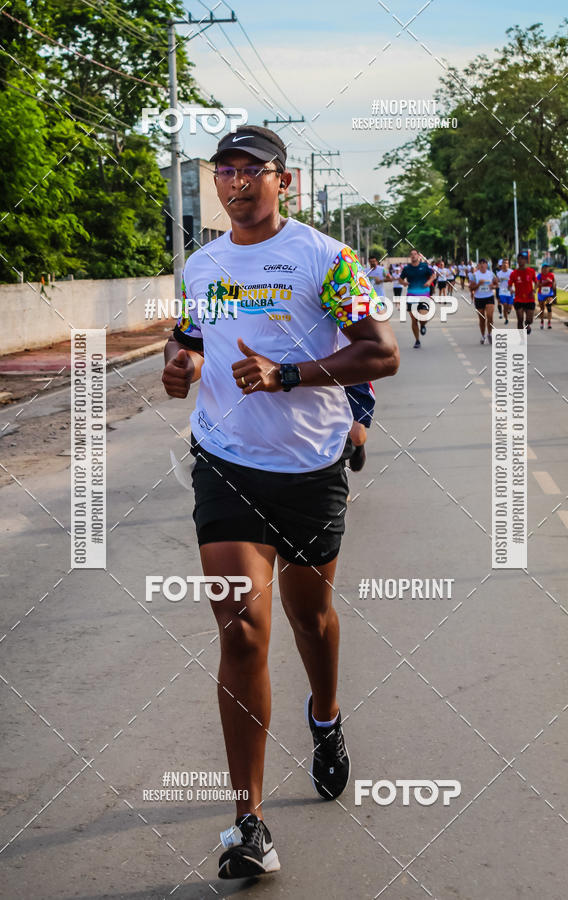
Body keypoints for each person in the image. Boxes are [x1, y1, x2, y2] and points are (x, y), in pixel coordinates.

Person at [161, 125, 399, 880]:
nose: (236, 182)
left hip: (309, 467)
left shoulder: (327, 259)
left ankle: (324, 720)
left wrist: (290, 374)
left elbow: (381, 351)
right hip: (225, 463)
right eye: (223, 170)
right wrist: (182, 361)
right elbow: (193, 334)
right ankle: (248, 825)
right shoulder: (202, 263)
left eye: (250, 170)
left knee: (311, 618)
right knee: (241, 633)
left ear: (282, 180)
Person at [399, 249, 436, 347]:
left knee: (423, 317)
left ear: (418, 256)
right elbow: (400, 279)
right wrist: (404, 283)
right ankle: (417, 340)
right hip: (411, 295)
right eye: (411, 254)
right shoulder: (407, 268)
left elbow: (433, 275)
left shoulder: (424, 266)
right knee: (414, 319)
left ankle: (423, 325)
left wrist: (429, 281)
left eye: (415, 254)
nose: (413, 256)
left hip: (424, 294)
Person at [469, 258, 497, 344]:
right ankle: (482, 335)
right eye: (480, 263)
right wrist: (478, 284)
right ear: (478, 265)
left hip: (489, 297)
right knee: (482, 319)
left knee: (490, 316)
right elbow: (471, 288)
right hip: (479, 298)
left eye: (484, 263)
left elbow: (496, 284)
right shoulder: (475, 275)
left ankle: (490, 334)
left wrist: (493, 286)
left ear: (486, 265)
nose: (482, 265)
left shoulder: (491, 274)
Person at [508, 251, 537, 333]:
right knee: (520, 318)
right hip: (518, 299)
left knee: (529, 320)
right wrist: (511, 290)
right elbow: (509, 285)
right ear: (517, 260)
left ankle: (527, 324)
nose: (521, 261)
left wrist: (534, 290)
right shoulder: (514, 273)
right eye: (519, 259)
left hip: (529, 299)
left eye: (523, 259)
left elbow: (536, 282)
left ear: (526, 261)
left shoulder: (531, 271)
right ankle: (521, 338)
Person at [537, 262, 556, 329]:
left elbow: (554, 285)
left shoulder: (551, 275)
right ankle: (542, 322)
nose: (545, 269)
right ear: (542, 269)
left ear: (548, 268)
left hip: (549, 294)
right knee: (542, 309)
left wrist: (551, 282)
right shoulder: (539, 275)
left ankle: (549, 322)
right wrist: (545, 282)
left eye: (547, 268)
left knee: (549, 307)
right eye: (544, 268)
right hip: (541, 294)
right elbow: (537, 285)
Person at [496, 259, 513, 324]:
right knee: (505, 305)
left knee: (509, 307)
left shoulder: (511, 272)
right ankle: (506, 319)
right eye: (503, 263)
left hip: (510, 291)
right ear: (502, 265)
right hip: (502, 292)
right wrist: (497, 283)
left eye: (506, 263)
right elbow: (497, 282)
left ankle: (508, 311)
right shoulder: (499, 273)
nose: (505, 264)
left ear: (508, 265)